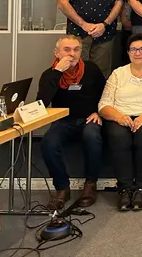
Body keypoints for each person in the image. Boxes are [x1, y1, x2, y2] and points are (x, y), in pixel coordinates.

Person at [98, 33, 142, 211]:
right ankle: (124, 189)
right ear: (128, 52)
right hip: (121, 115)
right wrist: (119, 117)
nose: (138, 53)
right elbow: (104, 104)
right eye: (133, 49)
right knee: (117, 135)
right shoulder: (118, 73)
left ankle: (140, 188)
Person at [37, 35, 106, 210]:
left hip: (89, 119)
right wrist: (57, 72)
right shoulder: (49, 75)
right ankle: (62, 188)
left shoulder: (91, 69)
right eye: (67, 50)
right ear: (57, 53)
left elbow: (107, 94)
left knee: (92, 136)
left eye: (76, 49)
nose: (72, 54)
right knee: (48, 142)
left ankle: (90, 185)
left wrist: (99, 112)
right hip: (63, 121)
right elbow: (42, 103)